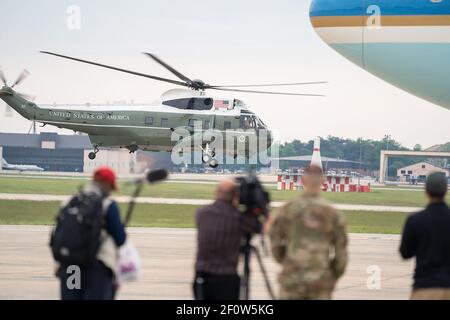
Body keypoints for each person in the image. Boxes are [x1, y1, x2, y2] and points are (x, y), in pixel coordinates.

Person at [269, 165, 348, 300]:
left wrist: (287, 262)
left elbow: (275, 245)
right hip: (320, 282)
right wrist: (330, 275)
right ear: (323, 181)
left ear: (303, 181)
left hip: (292, 280)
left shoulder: (287, 210)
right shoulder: (333, 214)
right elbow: (341, 255)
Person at [57, 167, 127, 300]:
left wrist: (58, 264)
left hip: (71, 266)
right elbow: (120, 239)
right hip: (96, 268)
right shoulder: (107, 205)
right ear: (107, 184)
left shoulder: (69, 203)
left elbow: (59, 235)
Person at [193, 178, 261, 300]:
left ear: (216, 193)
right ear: (235, 196)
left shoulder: (201, 213)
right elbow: (258, 227)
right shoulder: (238, 219)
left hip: (201, 278)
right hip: (226, 280)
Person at [399, 172, 450, 300]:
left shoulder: (415, 220)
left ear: (426, 191)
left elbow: (405, 253)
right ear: (445, 190)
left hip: (424, 287)